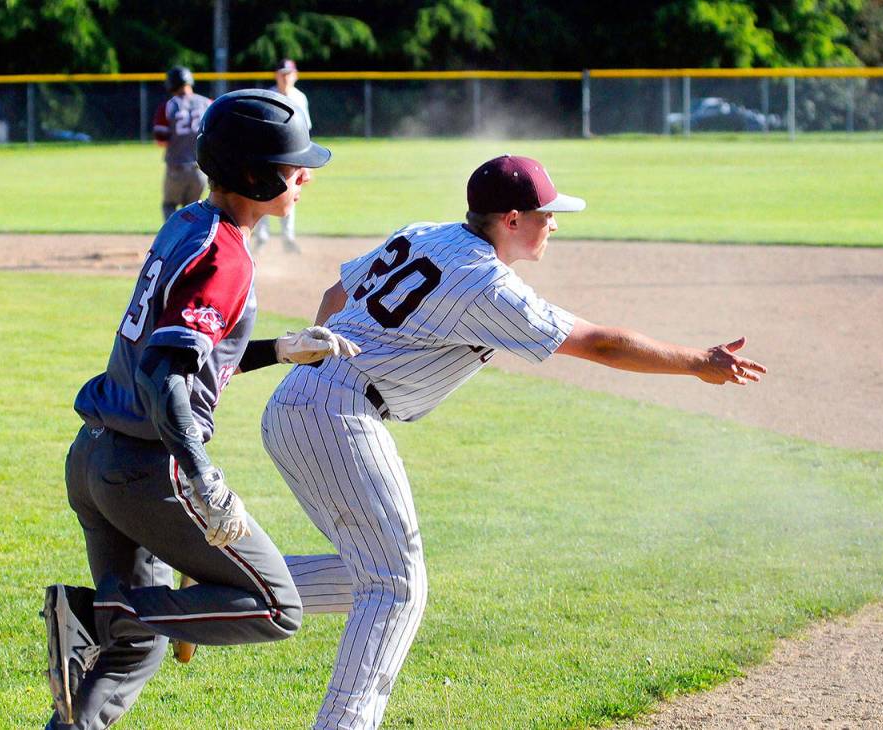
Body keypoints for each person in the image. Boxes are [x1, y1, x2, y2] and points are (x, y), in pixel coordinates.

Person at [258, 154, 768, 729]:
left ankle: (227, 584)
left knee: (374, 575)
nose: (555, 223)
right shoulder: (486, 283)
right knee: (396, 586)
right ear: (513, 219)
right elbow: (598, 344)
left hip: (301, 400)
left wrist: (321, 367)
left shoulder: (426, 234)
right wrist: (699, 362)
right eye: (547, 214)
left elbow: (335, 295)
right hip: (339, 411)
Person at [40, 88, 355, 730]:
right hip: (147, 469)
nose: (303, 177)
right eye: (293, 165)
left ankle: (93, 669)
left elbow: (183, 350)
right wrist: (203, 477)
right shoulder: (227, 257)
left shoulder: (188, 221)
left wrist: (277, 349)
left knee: (138, 647)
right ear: (255, 174)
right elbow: (164, 373)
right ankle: (98, 616)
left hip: (96, 455)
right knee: (275, 607)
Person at [253, 59, 312, 254]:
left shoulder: (300, 97)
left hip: (292, 156)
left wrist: (306, 163)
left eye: (289, 73)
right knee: (263, 194)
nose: (285, 77)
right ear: (276, 75)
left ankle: (288, 239)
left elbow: (305, 131)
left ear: (295, 75)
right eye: (282, 73)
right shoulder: (268, 95)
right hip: (269, 154)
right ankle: (262, 237)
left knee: (290, 194)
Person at [152, 66, 212, 222]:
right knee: (193, 212)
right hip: (200, 170)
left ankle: (173, 242)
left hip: (176, 169)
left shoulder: (169, 106)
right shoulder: (207, 103)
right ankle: (192, 245)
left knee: (169, 205)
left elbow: (161, 140)